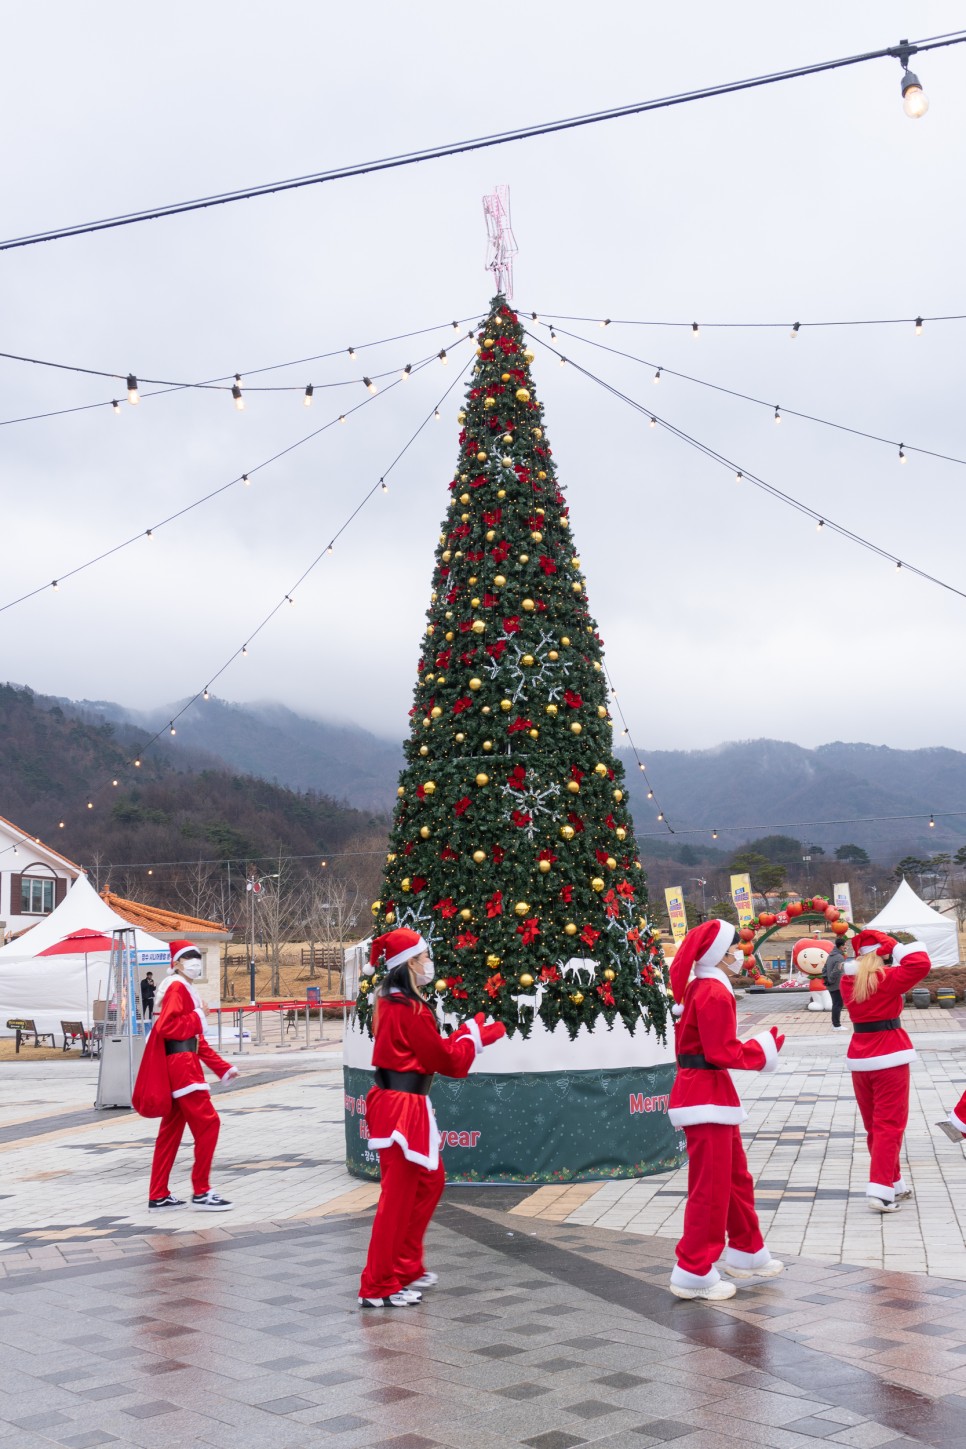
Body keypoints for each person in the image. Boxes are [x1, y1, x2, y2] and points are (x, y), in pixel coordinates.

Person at [358, 927, 506, 1308]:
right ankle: (379, 1284)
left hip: (404, 1104)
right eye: (424, 957)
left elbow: (433, 1051)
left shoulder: (397, 1006)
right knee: (399, 1196)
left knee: (428, 1181)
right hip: (401, 1107)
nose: (430, 963)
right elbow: (446, 1061)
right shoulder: (410, 1009)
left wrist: (467, 1035)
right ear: (408, 964)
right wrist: (476, 1037)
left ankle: (404, 1267)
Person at [667, 919, 785, 1302]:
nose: (739, 953)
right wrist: (763, 1049)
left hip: (708, 1093)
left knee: (733, 1179)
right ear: (718, 954)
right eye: (734, 947)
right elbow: (721, 1051)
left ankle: (748, 1251)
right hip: (706, 1095)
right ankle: (693, 1270)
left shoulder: (702, 988)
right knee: (712, 1188)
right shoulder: (713, 993)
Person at [133, 940, 238, 1211]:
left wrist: (221, 1067)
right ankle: (201, 1191)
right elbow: (170, 1027)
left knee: (171, 1131)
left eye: (196, 956)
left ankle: (158, 1194)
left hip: (178, 1061)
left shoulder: (181, 987)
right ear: (176, 963)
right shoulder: (178, 987)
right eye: (189, 957)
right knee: (209, 1123)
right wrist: (198, 1014)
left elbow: (192, 1037)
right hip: (182, 1066)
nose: (195, 961)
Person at [840, 929, 930, 1212]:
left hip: (860, 1056)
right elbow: (921, 963)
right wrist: (895, 944)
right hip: (890, 1055)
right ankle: (879, 1191)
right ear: (882, 953)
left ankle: (893, 1182)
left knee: (874, 1126)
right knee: (890, 1125)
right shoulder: (885, 978)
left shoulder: (847, 980)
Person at [822, 939, 848, 1030]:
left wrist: (826, 979)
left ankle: (835, 1024)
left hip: (831, 984)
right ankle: (836, 1025)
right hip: (836, 984)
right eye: (845, 945)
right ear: (841, 946)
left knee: (836, 1003)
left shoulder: (831, 955)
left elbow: (824, 968)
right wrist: (831, 980)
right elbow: (836, 971)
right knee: (838, 1004)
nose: (846, 947)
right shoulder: (839, 957)